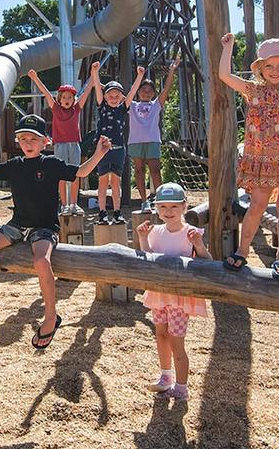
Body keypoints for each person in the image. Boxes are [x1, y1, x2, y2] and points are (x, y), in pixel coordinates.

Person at [0, 114, 112, 349]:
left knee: (42, 262)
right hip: (17, 224)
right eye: (23, 138)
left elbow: (82, 173)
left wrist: (99, 154)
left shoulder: (51, 164)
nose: (28, 143)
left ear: (46, 141)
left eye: (33, 138)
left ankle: (51, 315)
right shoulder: (15, 165)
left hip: (44, 227)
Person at [219, 22, 279, 278]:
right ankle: (242, 251)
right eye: (269, 66)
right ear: (260, 69)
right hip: (262, 157)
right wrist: (228, 48)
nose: (275, 71)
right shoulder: (253, 90)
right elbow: (225, 76)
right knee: (257, 205)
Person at [137, 182, 210, 401]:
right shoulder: (155, 231)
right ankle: (165, 377)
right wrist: (142, 238)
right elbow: (148, 256)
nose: (168, 212)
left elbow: (207, 262)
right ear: (157, 209)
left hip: (179, 295)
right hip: (159, 292)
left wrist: (198, 244)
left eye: (174, 207)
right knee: (160, 335)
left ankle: (181, 386)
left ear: (185, 207)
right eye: (163, 207)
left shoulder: (191, 233)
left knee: (176, 341)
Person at [28, 69, 93, 215]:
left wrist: (93, 77)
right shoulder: (56, 109)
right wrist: (35, 78)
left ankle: (74, 204)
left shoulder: (76, 109)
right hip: (61, 145)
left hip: (74, 144)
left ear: (73, 99)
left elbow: (86, 93)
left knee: (75, 174)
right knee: (61, 175)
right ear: (60, 99)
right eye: (64, 97)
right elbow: (45, 92)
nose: (67, 100)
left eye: (70, 97)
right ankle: (64, 204)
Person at [90, 61, 146, 224]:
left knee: (115, 182)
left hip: (119, 150)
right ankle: (101, 213)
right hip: (102, 150)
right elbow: (96, 88)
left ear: (121, 97)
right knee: (102, 182)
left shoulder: (123, 108)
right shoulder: (102, 107)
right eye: (110, 96)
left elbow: (133, 92)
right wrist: (95, 72)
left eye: (117, 96)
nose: (113, 99)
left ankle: (116, 212)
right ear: (105, 97)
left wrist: (140, 76)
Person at [129, 57, 181, 213]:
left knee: (155, 170)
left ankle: (160, 201)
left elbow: (166, 89)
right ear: (138, 92)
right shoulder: (131, 104)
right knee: (139, 171)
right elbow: (118, 94)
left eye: (149, 90)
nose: (146, 92)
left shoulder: (156, 104)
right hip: (135, 141)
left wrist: (171, 71)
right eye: (143, 90)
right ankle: (144, 201)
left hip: (152, 140)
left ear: (153, 93)